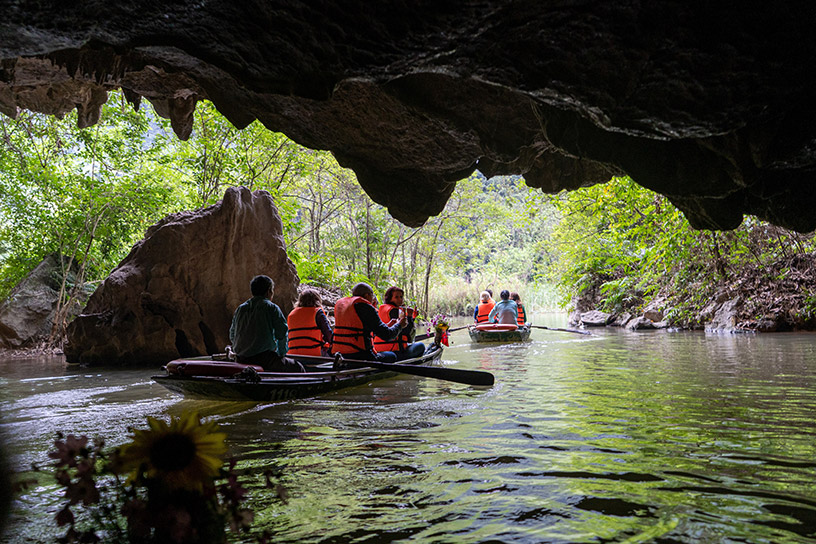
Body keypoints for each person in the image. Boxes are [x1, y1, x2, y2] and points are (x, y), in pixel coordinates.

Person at [229, 275, 305, 372]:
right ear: (269, 291)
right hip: (264, 359)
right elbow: (281, 333)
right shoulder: (271, 308)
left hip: (241, 358)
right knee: (298, 368)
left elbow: (232, 335)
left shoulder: (241, 309)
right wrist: (281, 354)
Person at [331, 282, 407, 363]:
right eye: (372, 296)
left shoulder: (344, 306)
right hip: (360, 355)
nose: (373, 299)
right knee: (392, 356)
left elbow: (360, 330)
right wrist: (399, 325)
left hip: (339, 353)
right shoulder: (365, 307)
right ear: (367, 295)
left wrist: (388, 325)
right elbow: (387, 335)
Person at [374, 286, 426, 361]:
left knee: (410, 345)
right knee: (421, 346)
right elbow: (406, 332)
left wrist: (412, 317)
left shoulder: (381, 309)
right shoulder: (395, 310)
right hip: (397, 352)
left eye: (401, 297)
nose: (400, 300)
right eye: (396, 297)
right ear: (390, 298)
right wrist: (410, 316)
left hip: (379, 351)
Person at [287, 288, 333, 357]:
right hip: (314, 354)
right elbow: (329, 336)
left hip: (293, 354)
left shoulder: (291, 314)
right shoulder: (317, 313)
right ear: (317, 300)